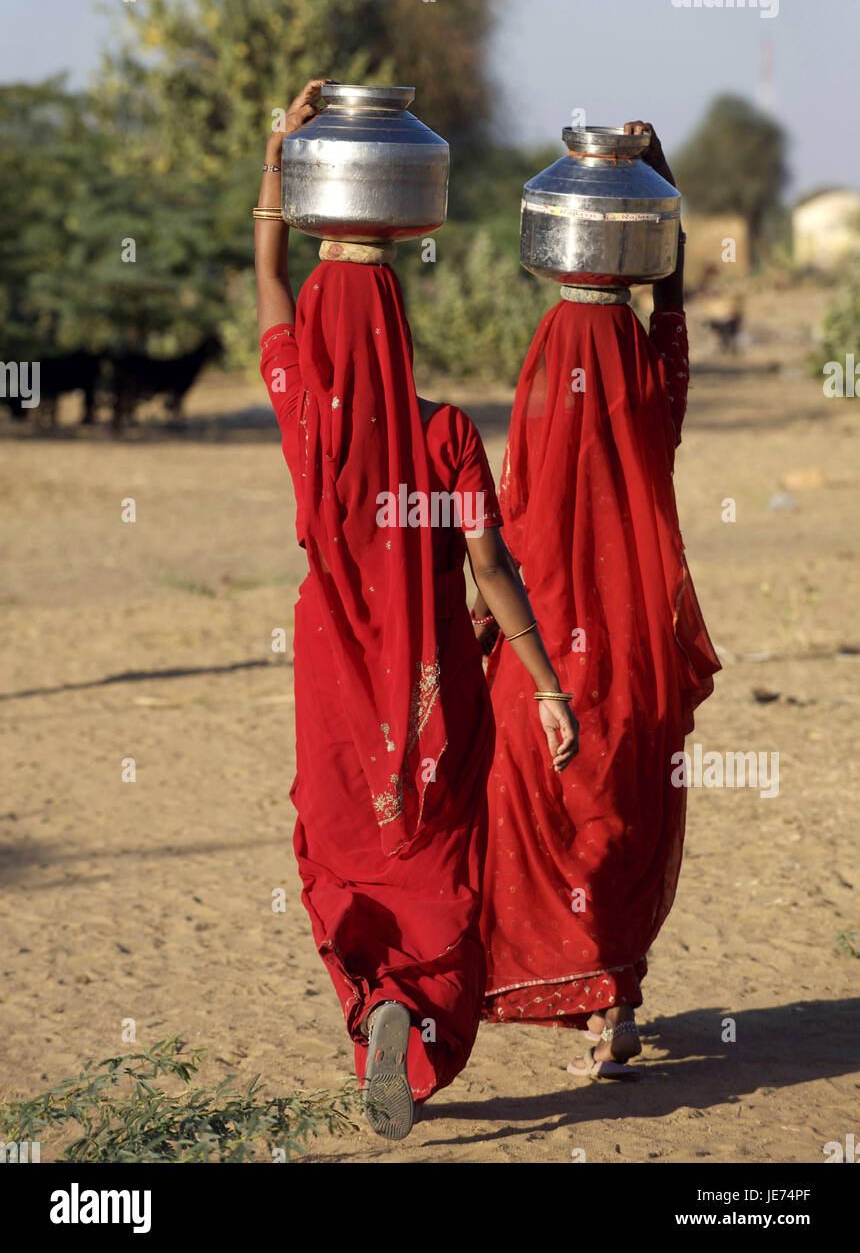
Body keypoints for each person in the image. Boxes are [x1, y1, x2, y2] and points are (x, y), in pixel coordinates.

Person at [255, 82, 578, 1136]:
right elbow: (492, 572)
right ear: (399, 332)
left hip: (329, 661)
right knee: (436, 851)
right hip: (430, 667)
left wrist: (281, 155)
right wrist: (541, 681)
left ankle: (372, 1005)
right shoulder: (444, 437)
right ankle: (412, 1009)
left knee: (342, 840)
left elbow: (268, 273)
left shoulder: (303, 405)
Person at [473, 122, 721, 1077]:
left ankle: (575, 990)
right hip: (638, 637)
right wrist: (658, 190)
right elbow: (671, 312)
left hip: (553, 642)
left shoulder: (546, 371)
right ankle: (615, 1002)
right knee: (623, 799)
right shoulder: (651, 374)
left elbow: (519, 512)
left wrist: (487, 622)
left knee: (539, 787)